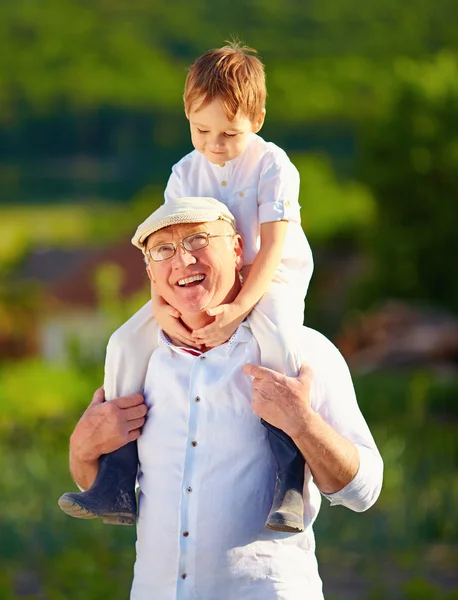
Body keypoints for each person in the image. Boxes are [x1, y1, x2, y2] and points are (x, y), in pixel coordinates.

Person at [66, 197, 383, 600]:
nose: (183, 261)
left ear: (236, 249)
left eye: (198, 240)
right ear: (151, 273)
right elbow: (105, 489)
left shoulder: (302, 352)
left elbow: (363, 492)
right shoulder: (137, 364)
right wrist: (81, 451)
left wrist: (302, 424)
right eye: (164, 250)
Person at [59, 42, 314, 531]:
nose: (214, 144)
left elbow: (274, 248)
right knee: (124, 343)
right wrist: (162, 308)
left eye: (229, 133)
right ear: (187, 116)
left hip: (267, 274)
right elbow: (167, 245)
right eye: (202, 130)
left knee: (279, 341)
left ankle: (290, 481)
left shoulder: (273, 166)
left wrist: (239, 309)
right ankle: (116, 478)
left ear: (256, 119)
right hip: (203, 279)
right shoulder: (184, 172)